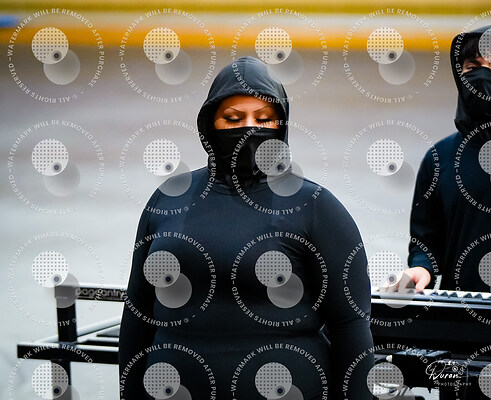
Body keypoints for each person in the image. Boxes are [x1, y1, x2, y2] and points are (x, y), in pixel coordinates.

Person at [118, 56, 374, 399]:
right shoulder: (169, 199)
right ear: (209, 124)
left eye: (263, 119)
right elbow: (137, 316)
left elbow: (350, 326)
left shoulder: (315, 207)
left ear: (280, 124)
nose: (248, 130)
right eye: (233, 119)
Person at [392, 25, 491, 294]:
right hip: (460, 310)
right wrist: (421, 268)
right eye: (473, 67)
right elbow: (426, 242)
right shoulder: (439, 158)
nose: (484, 76)